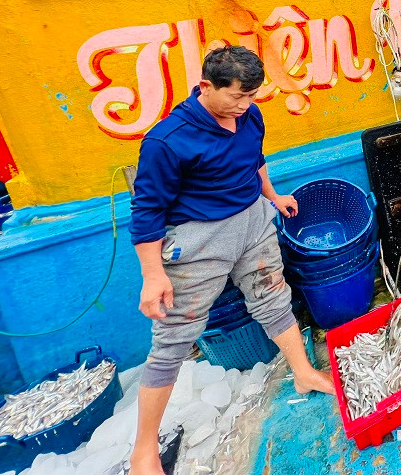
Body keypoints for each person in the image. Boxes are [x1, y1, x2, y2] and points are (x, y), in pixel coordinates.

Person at [128, 46, 334, 475]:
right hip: (199, 240)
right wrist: (153, 274)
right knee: (173, 339)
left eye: (252, 97)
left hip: (253, 224)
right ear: (206, 87)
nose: (244, 107)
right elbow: (146, 213)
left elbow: (255, 161)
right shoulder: (167, 141)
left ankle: (302, 372)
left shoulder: (249, 116)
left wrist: (273, 197)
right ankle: (143, 450)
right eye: (237, 97)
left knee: (274, 298)